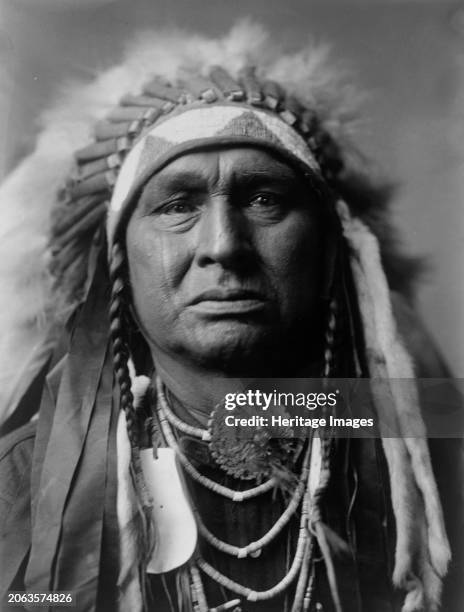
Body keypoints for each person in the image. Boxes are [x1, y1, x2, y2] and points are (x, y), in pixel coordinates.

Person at [0, 23, 462, 612]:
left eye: (263, 198)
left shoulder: (430, 458)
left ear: (328, 250)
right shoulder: (21, 488)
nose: (223, 244)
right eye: (177, 205)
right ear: (119, 262)